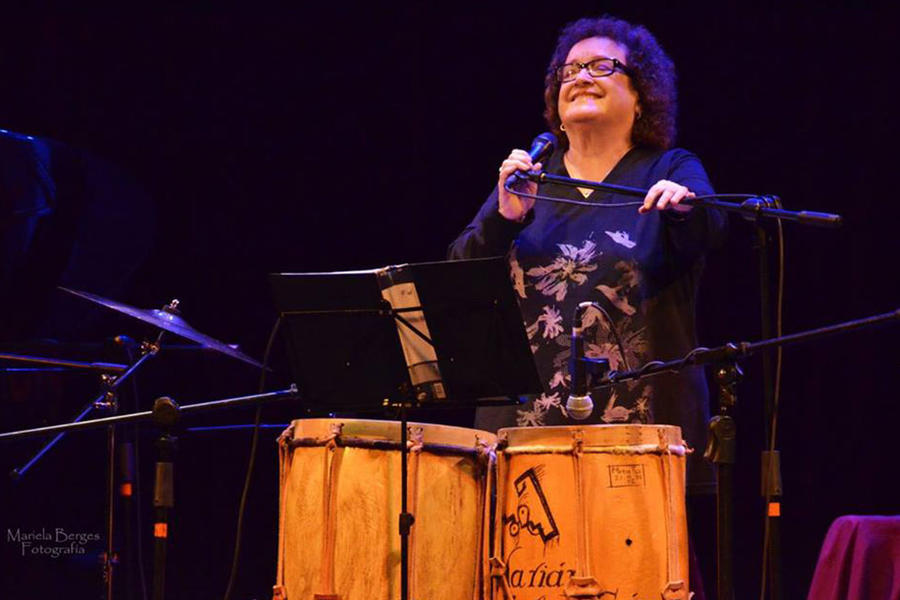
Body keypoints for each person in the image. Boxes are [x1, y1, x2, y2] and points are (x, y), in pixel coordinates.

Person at [448, 16, 726, 496]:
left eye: (601, 66)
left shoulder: (669, 168)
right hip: (523, 438)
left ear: (641, 96)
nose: (580, 77)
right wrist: (505, 218)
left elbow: (709, 227)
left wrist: (682, 207)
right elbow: (456, 276)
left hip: (636, 437)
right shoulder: (530, 178)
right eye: (570, 70)